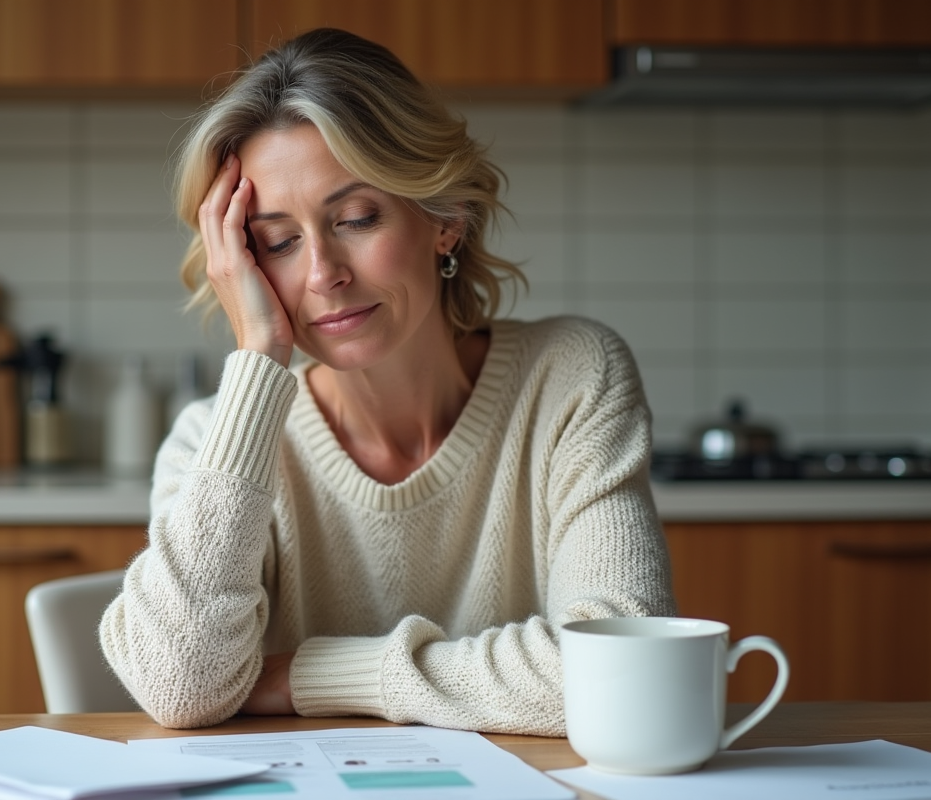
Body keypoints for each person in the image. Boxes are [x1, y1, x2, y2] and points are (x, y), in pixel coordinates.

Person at [99, 27, 676, 736]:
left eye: (356, 218)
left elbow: (620, 674)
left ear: (445, 219)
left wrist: (308, 675)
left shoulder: (573, 378)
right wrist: (258, 357)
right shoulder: (213, 445)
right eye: (278, 241)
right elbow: (180, 687)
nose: (322, 274)